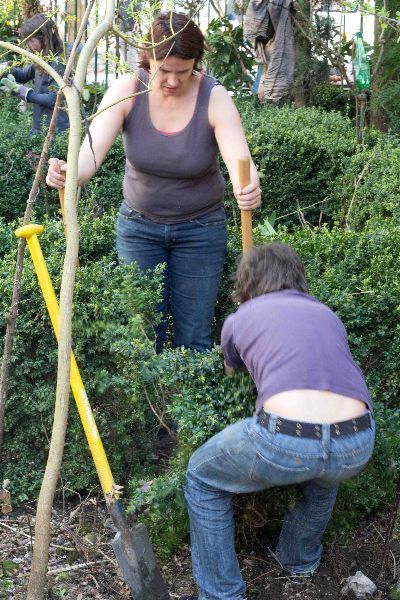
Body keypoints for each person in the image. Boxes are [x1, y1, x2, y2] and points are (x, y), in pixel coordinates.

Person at [46, 11, 261, 352]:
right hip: (138, 228)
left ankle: (191, 400)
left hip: (201, 230)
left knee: (195, 335)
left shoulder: (214, 97)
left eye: (184, 72)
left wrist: (246, 186)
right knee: (144, 335)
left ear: (197, 64)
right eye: (164, 70)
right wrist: (66, 171)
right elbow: (87, 158)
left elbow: (241, 160)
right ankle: (150, 406)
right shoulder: (127, 90)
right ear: (147, 60)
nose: (173, 81)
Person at [182, 243, 375, 600]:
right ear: (297, 276)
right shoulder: (326, 313)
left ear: (248, 281)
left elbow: (231, 370)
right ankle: (299, 560)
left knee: (202, 477)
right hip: (357, 441)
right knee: (324, 475)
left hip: (285, 439)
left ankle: (221, 593)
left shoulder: (240, 318)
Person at [0, 13, 69, 134]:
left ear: (45, 38)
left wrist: (22, 92)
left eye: (31, 40)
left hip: (56, 130)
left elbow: (53, 99)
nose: (28, 46)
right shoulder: (42, 60)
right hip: (39, 127)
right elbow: (24, 75)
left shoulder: (57, 63)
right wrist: (7, 67)